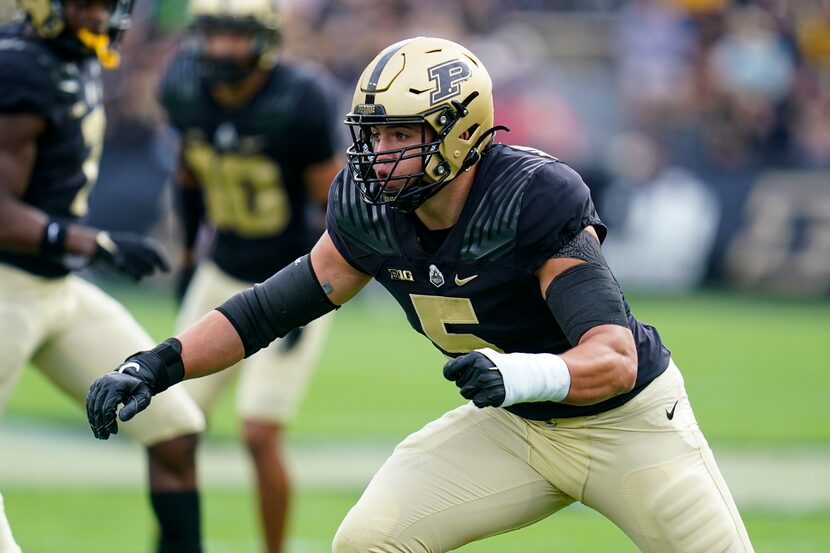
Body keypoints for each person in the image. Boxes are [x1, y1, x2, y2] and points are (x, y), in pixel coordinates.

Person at [87, 36, 755, 552]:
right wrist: (158, 362)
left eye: (401, 133)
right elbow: (265, 310)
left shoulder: (529, 198)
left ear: (459, 131)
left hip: (625, 424)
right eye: (374, 133)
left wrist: (516, 372)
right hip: (518, 429)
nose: (379, 153)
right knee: (368, 540)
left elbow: (614, 357)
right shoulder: (370, 210)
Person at [0, 1, 206, 551]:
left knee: (175, 430)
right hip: (5, 287)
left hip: (55, 287)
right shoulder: (17, 67)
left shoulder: (71, 56)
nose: (102, 16)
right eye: (87, 3)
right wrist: (90, 241)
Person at [158, 0, 342, 551]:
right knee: (171, 428)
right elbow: (189, 177)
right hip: (221, 272)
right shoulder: (184, 85)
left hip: (289, 279)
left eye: (234, 36)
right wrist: (189, 256)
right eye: (212, 35)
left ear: (263, 40)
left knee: (259, 433)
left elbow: (328, 207)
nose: (220, 50)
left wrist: (308, 297)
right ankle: (174, 544)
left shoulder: (300, 97)